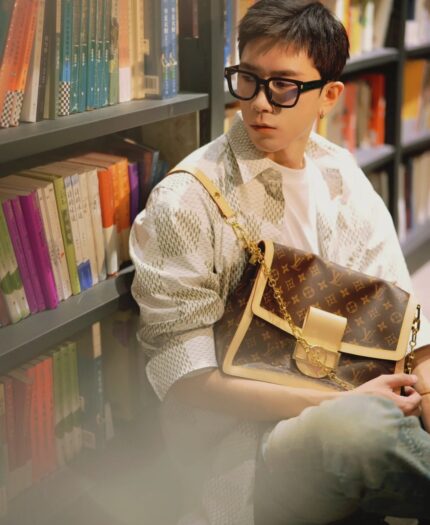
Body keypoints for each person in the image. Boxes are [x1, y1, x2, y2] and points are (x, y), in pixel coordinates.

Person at [129, 1, 430, 524]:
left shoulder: (339, 174)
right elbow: (184, 377)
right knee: (362, 430)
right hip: (245, 449)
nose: (259, 104)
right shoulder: (187, 199)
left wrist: (425, 385)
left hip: (361, 392)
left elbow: (400, 313)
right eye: (248, 79)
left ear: (329, 97)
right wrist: (334, 402)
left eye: (283, 86)